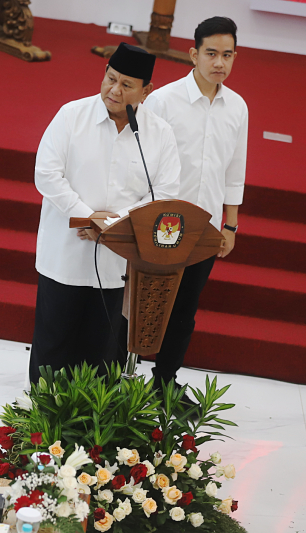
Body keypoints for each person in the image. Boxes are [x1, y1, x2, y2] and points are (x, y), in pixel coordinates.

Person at [29, 42, 181, 384]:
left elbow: (165, 193)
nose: (114, 90)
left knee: (100, 358)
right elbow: (47, 174)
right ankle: (41, 431)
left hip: (116, 265)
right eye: (110, 79)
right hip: (64, 259)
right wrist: (88, 217)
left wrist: (111, 225)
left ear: (147, 91)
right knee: (51, 354)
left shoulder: (159, 135)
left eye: (127, 85)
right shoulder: (71, 116)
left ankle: (90, 436)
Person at [139, 16, 248, 401]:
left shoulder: (237, 108)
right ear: (194, 53)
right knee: (142, 304)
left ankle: (164, 382)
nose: (220, 63)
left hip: (205, 229)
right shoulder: (164, 101)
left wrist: (230, 225)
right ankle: (116, 376)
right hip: (160, 223)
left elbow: (235, 169)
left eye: (228, 55)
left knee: (184, 311)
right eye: (212, 53)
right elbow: (142, 162)